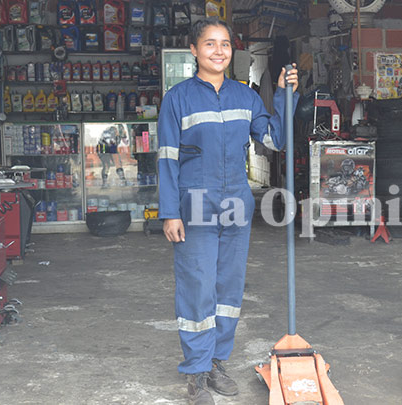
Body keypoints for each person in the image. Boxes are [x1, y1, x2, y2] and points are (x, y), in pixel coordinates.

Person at [157, 18, 299, 405]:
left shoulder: (246, 96)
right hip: (195, 202)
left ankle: (217, 361)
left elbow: (274, 139)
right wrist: (169, 212)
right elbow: (168, 159)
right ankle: (197, 371)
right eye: (209, 44)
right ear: (193, 49)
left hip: (237, 200)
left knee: (228, 290)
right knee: (197, 286)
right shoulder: (178, 98)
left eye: (225, 44)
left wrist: (284, 97)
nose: (218, 51)